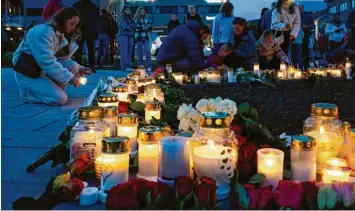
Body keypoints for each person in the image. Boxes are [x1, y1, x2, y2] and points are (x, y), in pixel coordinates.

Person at [12, 7, 92, 106]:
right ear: (63, 19)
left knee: (73, 66)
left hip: (41, 70)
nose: (74, 28)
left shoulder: (59, 35)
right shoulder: (42, 32)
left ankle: (53, 90)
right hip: (28, 73)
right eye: (72, 23)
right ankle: (28, 94)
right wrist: (69, 77)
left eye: (76, 25)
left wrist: (81, 68)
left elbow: (62, 59)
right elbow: (47, 61)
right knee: (60, 99)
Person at [73, 0, 99, 70]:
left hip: (87, 30)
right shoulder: (77, 5)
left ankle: (89, 66)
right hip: (82, 30)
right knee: (81, 49)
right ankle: (84, 66)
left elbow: (96, 21)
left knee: (86, 49)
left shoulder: (93, 7)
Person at [118, 6, 136, 71]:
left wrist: (129, 26)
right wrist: (131, 27)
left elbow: (135, 25)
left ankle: (128, 65)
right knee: (124, 51)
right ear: (124, 11)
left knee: (130, 51)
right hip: (123, 35)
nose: (128, 11)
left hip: (131, 36)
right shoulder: (122, 17)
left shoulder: (131, 18)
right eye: (126, 10)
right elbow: (124, 26)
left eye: (129, 10)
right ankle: (124, 66)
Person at [135, 6, 152, 71]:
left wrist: (146, 27)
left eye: (143, 11)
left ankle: (149, 66)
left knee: (147, 51)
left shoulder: (146, 18)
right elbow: (137, 28)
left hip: (146, 37)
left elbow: (150, 27)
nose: (143, 12)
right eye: (141, 11)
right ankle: (140, 67)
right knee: (140, 52)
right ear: (138, 12)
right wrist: (145, 27)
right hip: (139, 37)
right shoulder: (136, 19)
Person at [298, 5, 315, 70]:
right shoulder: (294, 15)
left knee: (305, 51)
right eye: (299, 9)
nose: (300, 10)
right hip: (296, 36)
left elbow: (312, 26)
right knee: (297, 52)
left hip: (305, 35)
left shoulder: (308, 16)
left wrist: (308, 27)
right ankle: (298, 66)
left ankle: (306, 67)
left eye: (301, 9)